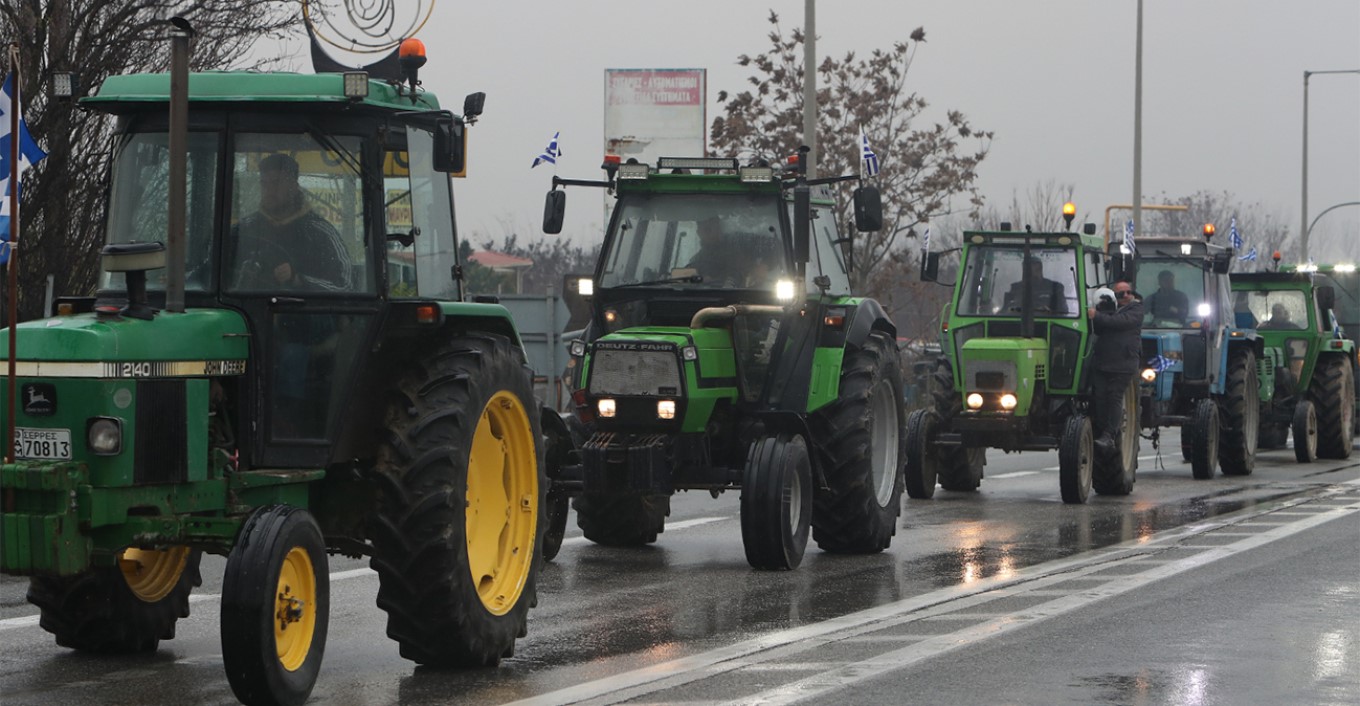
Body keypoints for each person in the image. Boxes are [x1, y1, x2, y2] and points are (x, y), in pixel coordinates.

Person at [232, 153, 352, 291]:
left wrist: (299, 280)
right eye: (264, 184)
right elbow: (208, 275)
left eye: (276, 183)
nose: (269, 190)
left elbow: (345, 287)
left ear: (293, 186)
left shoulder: (322, 234)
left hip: (304, 312)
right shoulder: (242, 231)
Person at [1087, 280, 1144, 455]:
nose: (1126, 296)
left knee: (1114, 397)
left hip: (1123, 365)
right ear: (1114, 296)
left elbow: (1119, 322)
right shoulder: (1106, 309)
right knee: (1101, 398)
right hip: (1102, 363)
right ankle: (1102, 431)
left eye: (1129, 292)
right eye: (1121, 294)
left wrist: (1096, 315)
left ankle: (1109, 435)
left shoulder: (1135, 310)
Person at [1003, 257, 1069, 314]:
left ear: (1040, 268)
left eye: (1035, 268)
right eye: (1026, 269)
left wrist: (1049, 310)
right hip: (1018, 324)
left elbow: (1063, 311)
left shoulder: (1055, 287)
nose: (1030, 272)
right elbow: (1006, 310)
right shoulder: (1016, 287)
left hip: (1050, 324)